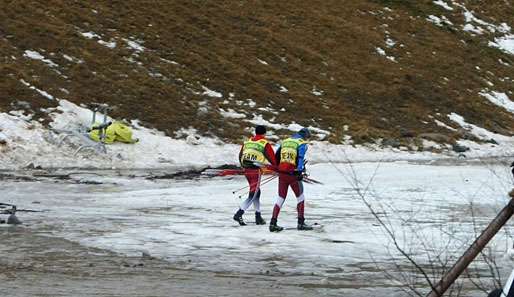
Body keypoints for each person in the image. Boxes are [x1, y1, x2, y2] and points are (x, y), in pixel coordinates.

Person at [269, 127, 313, 232]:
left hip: (282, 174)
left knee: (280, 198)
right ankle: (301, 223)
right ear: (305, 135)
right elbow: (300, 158)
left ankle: (273, 223)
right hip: (293, 174)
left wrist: (278, 168)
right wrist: (299, 170)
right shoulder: (302, 143)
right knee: (300, 198)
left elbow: (276, 156)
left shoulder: (285, 141)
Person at [233, 125, 277, 226]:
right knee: (253, 194)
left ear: (255, 132)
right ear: (264, 133)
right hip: (255, 170)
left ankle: (258, 216)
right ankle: (239, 213)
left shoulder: (248, 142)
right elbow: (272, 158)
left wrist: (243, 167)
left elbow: (240, 155)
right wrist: (277, 168)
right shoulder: (264, 143)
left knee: (256, 192)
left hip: (246, 170)